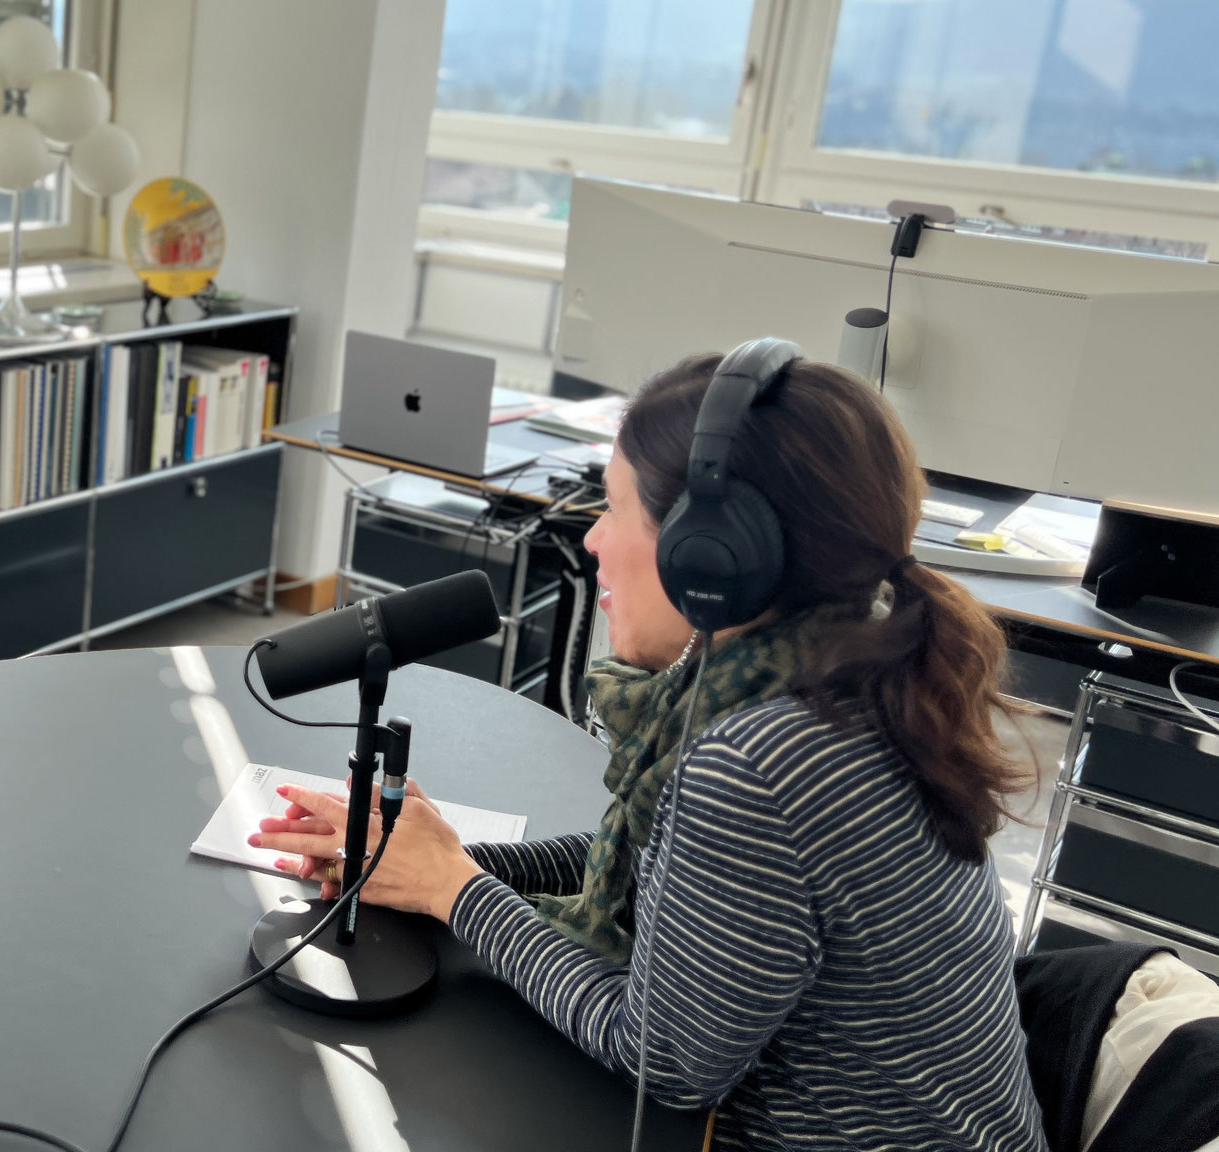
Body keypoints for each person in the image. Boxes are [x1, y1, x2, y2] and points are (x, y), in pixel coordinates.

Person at [252, 350, 1049, 1149]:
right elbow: (672, 878)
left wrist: (455, 889)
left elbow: (663, 1057)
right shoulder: (845, 668)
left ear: (712, 553)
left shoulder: (765, 761)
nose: (593, 539)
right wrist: (436, 866)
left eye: (614, 507)